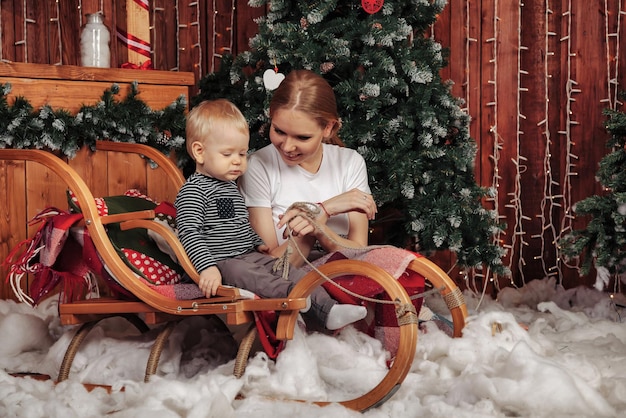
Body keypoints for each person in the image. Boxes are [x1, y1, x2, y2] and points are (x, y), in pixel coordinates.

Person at [174, 99, 367, 330]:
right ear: (199, 152)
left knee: (288, 270)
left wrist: (257, 242)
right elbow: (188, 233)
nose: (237, 161)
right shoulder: (194, 191)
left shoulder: (228, 187)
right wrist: (206, 267)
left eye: (242, 154)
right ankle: (294, 299)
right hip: (220, 261)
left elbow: (239, 224)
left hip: (246, 254)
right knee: (250, 274)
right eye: (228, 154)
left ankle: (328, 309)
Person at [239, 69, 378, 264]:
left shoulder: (350, 163)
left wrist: (319, 227)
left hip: (343, 275)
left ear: (328, 128)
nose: (287, 147)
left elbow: (359, 252)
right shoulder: (258, 166)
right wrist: (321, 212)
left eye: (302, 137)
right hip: (290, 284)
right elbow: (268, 265)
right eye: (279, 131)